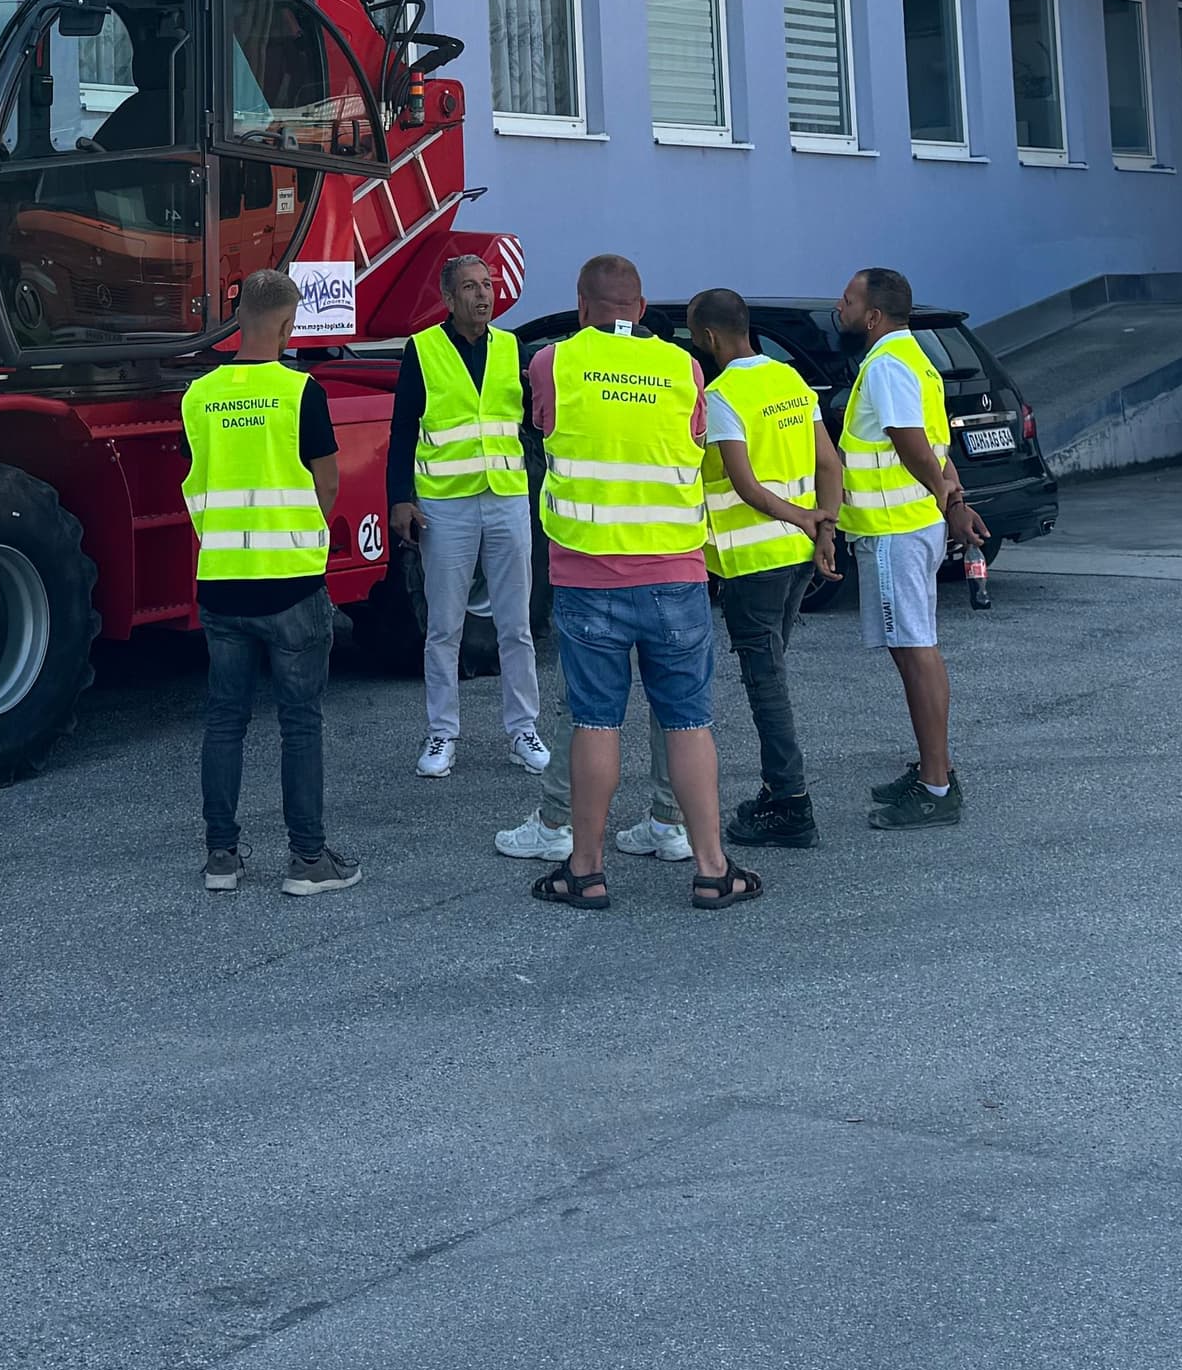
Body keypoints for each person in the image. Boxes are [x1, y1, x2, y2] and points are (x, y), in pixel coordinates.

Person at [522, 255, 758, 911]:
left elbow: (548, 429)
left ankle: (586, 870)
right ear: (642, 302)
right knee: (688, 721)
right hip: (674, 574)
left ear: (581, 305)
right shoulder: (684, 368)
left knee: (596, 722)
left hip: (588, 575)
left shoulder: (553, 364)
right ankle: (712, 868)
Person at [184, 267, 361, 896]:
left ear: (239, 321)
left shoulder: (199, 395)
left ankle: (221, 859)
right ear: (288, 324)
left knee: (225, 720)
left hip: (222, 582)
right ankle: (308, 861)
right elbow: (328, 481)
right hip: (290, 585)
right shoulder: (300, 391)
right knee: (299, 722)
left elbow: (199, 477)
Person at [683, 290, 843, 849]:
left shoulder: (724, 395)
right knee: (772, 677)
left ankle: (791, 802)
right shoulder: (790, 381)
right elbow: (829, 462)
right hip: (798, 559)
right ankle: (781, 795)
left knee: (765, 685)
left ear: (706, 338)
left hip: (754, 563)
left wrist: (803, 518)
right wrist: (823, 529)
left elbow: (746, 486)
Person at [835, 267, 989, 829]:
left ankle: (937, 785)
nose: (840, 307)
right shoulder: (916, 358)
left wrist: (950, 501)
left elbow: (912, 445)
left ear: (872, 315)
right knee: (912, 647)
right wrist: (953, 503)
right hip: (906, 525)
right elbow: (937, 447)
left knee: (917, 649)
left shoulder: (887, 365)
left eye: (848, 300)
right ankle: (933, 765)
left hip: (896, 530)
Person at [389, 253, 546, 780]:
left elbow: (531, 421)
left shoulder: (510, 347)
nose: (484, 294)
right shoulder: (425, 350)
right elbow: (403, 430)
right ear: (449, 298)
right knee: (444, 627)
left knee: (516, 625)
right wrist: (399, 498)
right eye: (472, 287)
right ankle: (442, 734)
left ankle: (523, 729)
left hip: (505, 497)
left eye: (489, 284)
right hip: (445, 504)